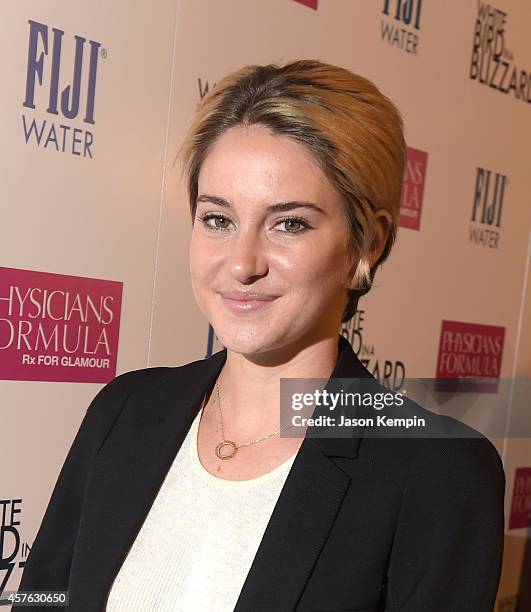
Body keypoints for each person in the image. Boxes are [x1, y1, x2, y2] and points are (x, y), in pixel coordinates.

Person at [17, 59, 505, 611]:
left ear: (365, 244)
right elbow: (42, 599)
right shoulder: (124, 410)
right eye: (218, 219)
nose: (242, 263)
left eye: (288, 223)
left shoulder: (436, 472)